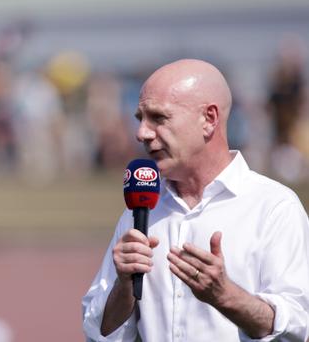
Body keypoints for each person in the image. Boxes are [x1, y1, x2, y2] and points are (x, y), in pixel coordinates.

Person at [82, 59, 309, 341]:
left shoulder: (274, 208)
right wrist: (123, 286)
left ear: (209, 119)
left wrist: (227, 296)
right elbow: (98, 332)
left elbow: (300, 325)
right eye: (140, 119)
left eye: (159, 118)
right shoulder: (139, 211)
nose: (142, 133)